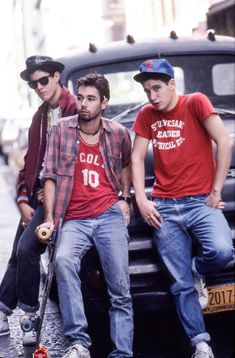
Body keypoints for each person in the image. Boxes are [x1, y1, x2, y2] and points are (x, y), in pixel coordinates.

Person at [131, 58, 233, 358]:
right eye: (148, 90)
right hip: (164, 206)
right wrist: (141, 198)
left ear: (172, 84)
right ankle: (200, 343)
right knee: (179, 285)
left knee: (222, 250)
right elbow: (137, 157)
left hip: (200, 202)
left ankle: (195, 269)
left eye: (158, 88)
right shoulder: (147, 114)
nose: (152, 96)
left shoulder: (195, 102)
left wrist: (215, 191)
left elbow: (224, 142)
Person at [37, 73, 133, 358]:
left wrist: (125, 199)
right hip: (74, 219)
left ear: (104, 103)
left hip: (108, 214)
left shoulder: (117, 133)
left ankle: (122, 352)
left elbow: (127, 164)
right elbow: (50, 177)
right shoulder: (61, 131)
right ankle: (79, 342)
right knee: (64, 262)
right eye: (80, 98)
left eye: (91, 99)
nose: (83, 104)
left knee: (120, 287)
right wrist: (50, 218)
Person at [0, 56, 77, 345]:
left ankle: (29, 316)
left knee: (27, 250)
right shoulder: (40, 116)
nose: (39, 87)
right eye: (34, 85)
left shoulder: (73, 108)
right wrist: (22, 198)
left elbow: (78, 160)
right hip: (36, 196)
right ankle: (3, 309)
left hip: (60, 197)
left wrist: (53, 187)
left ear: (57, 76)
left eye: (44, 80)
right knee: (18, 254)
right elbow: (29, 163)